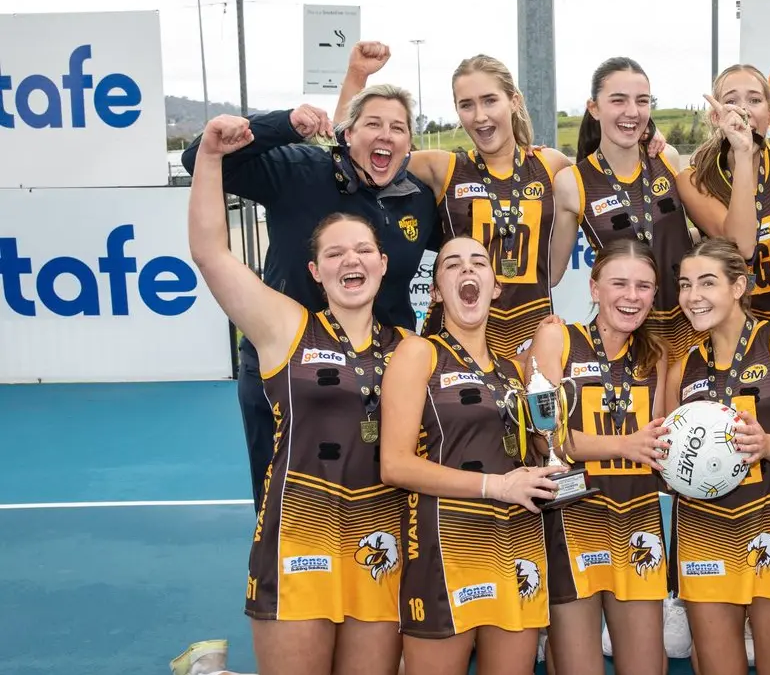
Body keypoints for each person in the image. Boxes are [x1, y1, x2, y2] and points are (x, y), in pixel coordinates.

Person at [187, 115, 414, 675]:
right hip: (298, 540)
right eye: (334, 254)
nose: (351, 261)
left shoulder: (414, 350)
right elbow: (211, 253)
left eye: (363, 249)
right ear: (315, 270)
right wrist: (212, 157)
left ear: (384, 264)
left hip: (380, 547)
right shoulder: (284, 328)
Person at [180, 86, 440, 508]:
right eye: (373, 124)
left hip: (376, 377)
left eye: (398, 128)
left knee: (380, 506)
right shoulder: (301, 169)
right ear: (347, 133)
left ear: (409, 143)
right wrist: (282, 124)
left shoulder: (420, 201)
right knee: (281, 507)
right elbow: (200, 160)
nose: (386, 136)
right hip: (284, 367)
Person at [334, 44, 650, 358]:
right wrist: (356, 75)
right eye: (467, 105)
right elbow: (355, 149)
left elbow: (612, 172)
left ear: (514, 101)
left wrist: (649, 138)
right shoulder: (443, 167)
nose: (480, 116)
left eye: (489, 101)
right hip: (454, 339)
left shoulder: (550, 165)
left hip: (532, 338)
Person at [378, 235, 566, 675]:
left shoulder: (514, 369)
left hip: (516, 545)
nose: (468, 270)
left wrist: (546, 442)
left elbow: (538, 451)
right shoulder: (418, 353)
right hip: (445, 550)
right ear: (437, 290)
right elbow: (394, 464)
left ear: (494, 287)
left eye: (479, 263)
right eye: (453, 264)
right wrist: (497, 486)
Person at [667, 237, 770, 675]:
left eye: (707, 283)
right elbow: (664, 451)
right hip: (703, 528)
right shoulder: (685, 364)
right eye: (684, 285)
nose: (693, 297)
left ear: (738, 287)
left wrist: (769, 444)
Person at [525, 238, 674, 675]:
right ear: (593, 288)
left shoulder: (657, 354)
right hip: (575, 519)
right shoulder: (557, 337)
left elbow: (661, 437)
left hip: (639, 520)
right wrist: (624, 444)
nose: (632, 297)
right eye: (619, 284)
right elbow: (543, 438)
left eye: (644, 286)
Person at [558, 57, 698, 361]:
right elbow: (551, 273)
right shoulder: (572, 183)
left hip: (691, 324)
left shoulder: (668, 158)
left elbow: (691, 234)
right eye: (618, 100)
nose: (632, 112)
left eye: (642, 101)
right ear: (594, 108)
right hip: (629, 334)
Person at [676, 66, 770, 328]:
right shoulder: (693, 180)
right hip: (742, 325)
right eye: (731, 101)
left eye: (754, 100)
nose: (742, 111)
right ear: (715, 116)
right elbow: (742, 246)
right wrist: (743, 153)